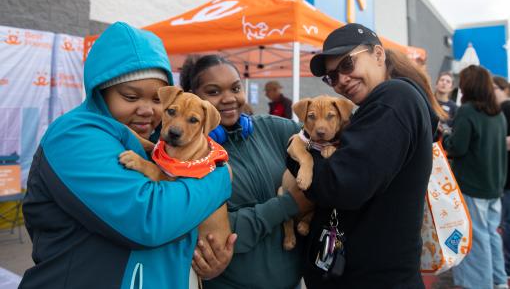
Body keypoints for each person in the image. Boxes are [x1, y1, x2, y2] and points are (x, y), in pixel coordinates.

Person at [20, 22, 232, 289]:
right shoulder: (74, 136)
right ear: (101, 91)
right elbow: (149, 219)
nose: (146, 110)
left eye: (157, 100)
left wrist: (208, 261)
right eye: (130, 97)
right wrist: (219, 176)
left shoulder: (160, 141)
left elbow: (184, 219)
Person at [287, 22, 443, 288]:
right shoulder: (387, 103)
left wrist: (294, 151)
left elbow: (341, 185)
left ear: (379, 55)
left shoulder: (393, 98)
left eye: (347, 64)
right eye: (332, 77)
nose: (342, 80)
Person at [180, 55, 308, 289]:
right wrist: (290, 204)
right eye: (213, 91)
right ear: (192, 97)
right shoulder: (184, 155)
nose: (229, 99)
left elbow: (326, 135)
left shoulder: (273, 128)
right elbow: (214, 235)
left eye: (236, 88)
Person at [443, 66, 508, 289]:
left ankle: (481, 285)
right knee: (491, 235)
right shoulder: (497, 113)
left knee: (478, 239)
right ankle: (499, 281)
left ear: (468, 85)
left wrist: (445, 137)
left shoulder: (468, 111)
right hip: (494, 187)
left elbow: (457, 147)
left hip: (473, 186)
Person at [494, 76, 510, 275]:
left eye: (494, 88)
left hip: (506, 178)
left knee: (505, 224)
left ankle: (505, 268)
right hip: (503, 178)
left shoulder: (506, 108)